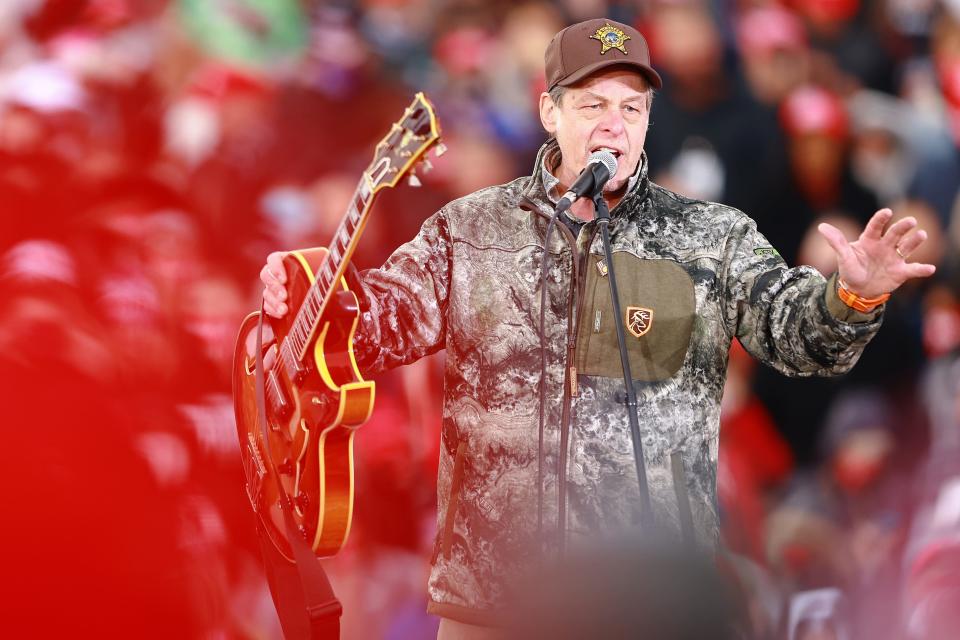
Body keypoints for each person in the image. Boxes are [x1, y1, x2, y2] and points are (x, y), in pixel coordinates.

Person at [259, 18, 935, 638]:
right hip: (492, 604)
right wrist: (299, 301)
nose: (615, 124)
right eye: (592, 104)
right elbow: (370, 331)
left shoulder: (710, 237)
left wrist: (852, 295)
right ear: (549, 110)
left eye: (632, 107)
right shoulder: (469, 231)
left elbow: (799, 335)